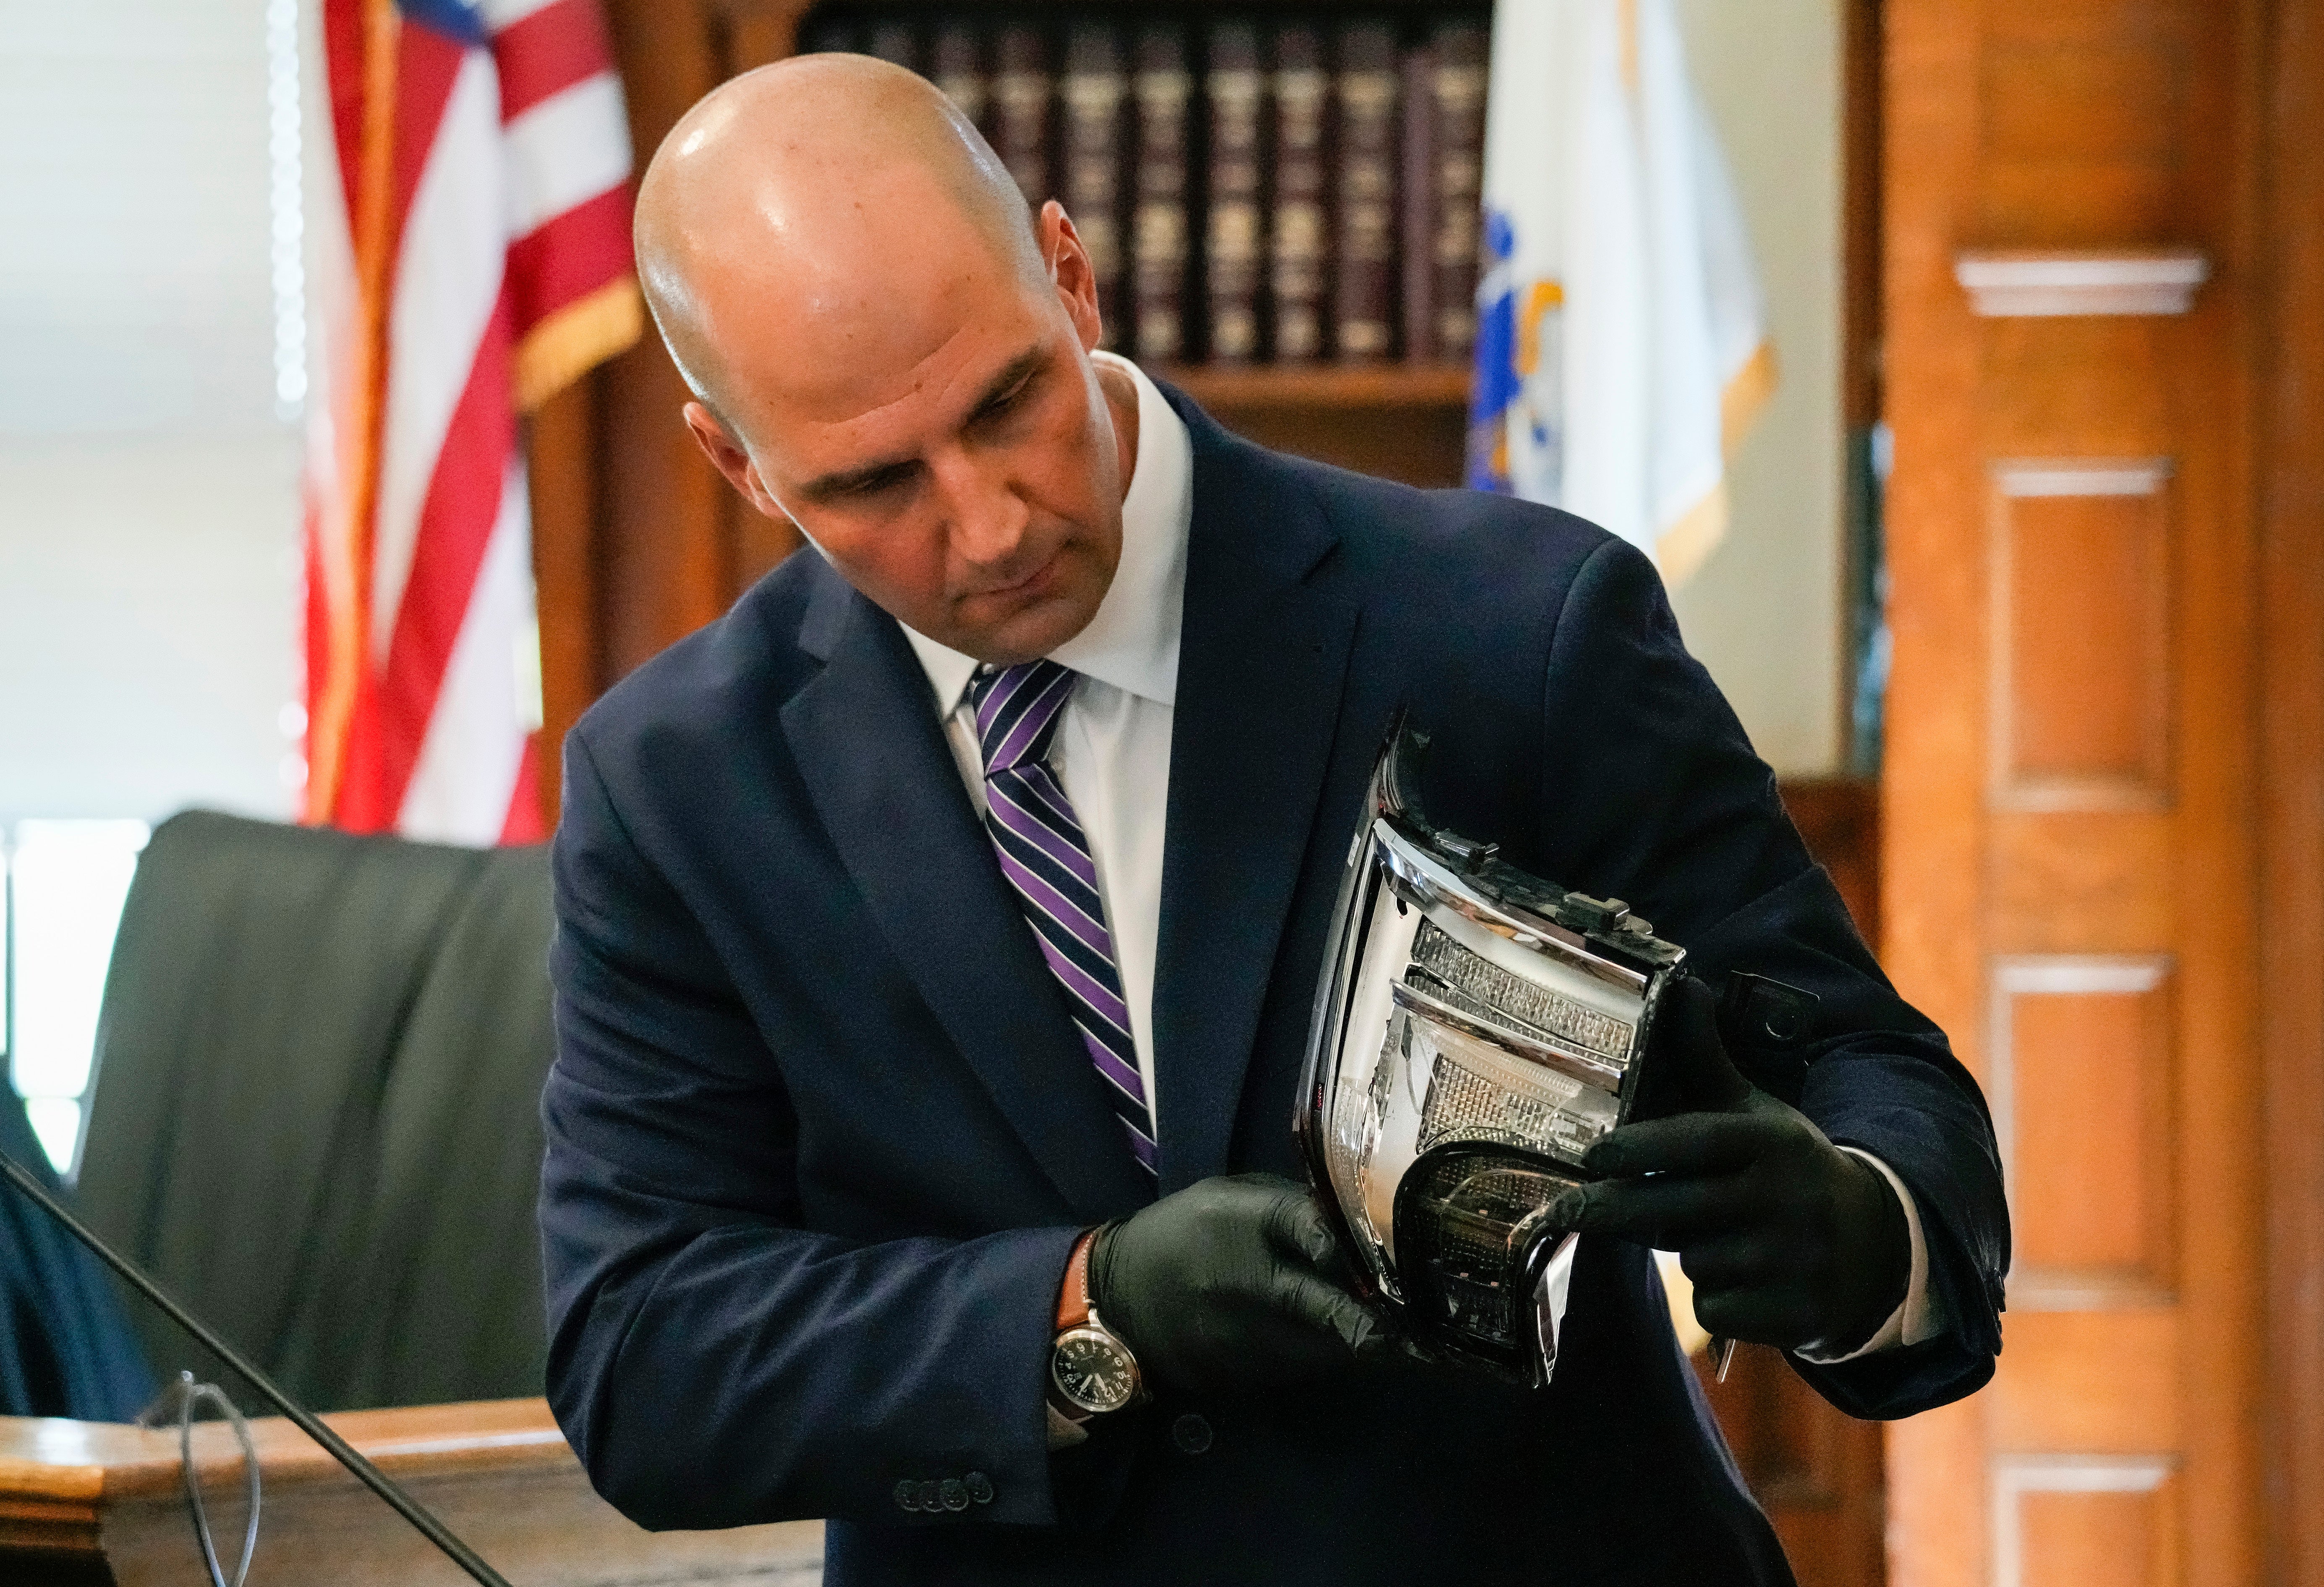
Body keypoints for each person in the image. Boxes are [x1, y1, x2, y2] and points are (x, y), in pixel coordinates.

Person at [539, 54, 2008, 1586]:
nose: (987, 524)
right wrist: (1091, 1315)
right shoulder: (677, 788)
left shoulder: (1521, 629)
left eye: (1007, 402)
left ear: (1072, 279)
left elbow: (1869, 1077)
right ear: (738, 462)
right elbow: (646, 1357)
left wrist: (1859, 1231)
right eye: (872, 483)